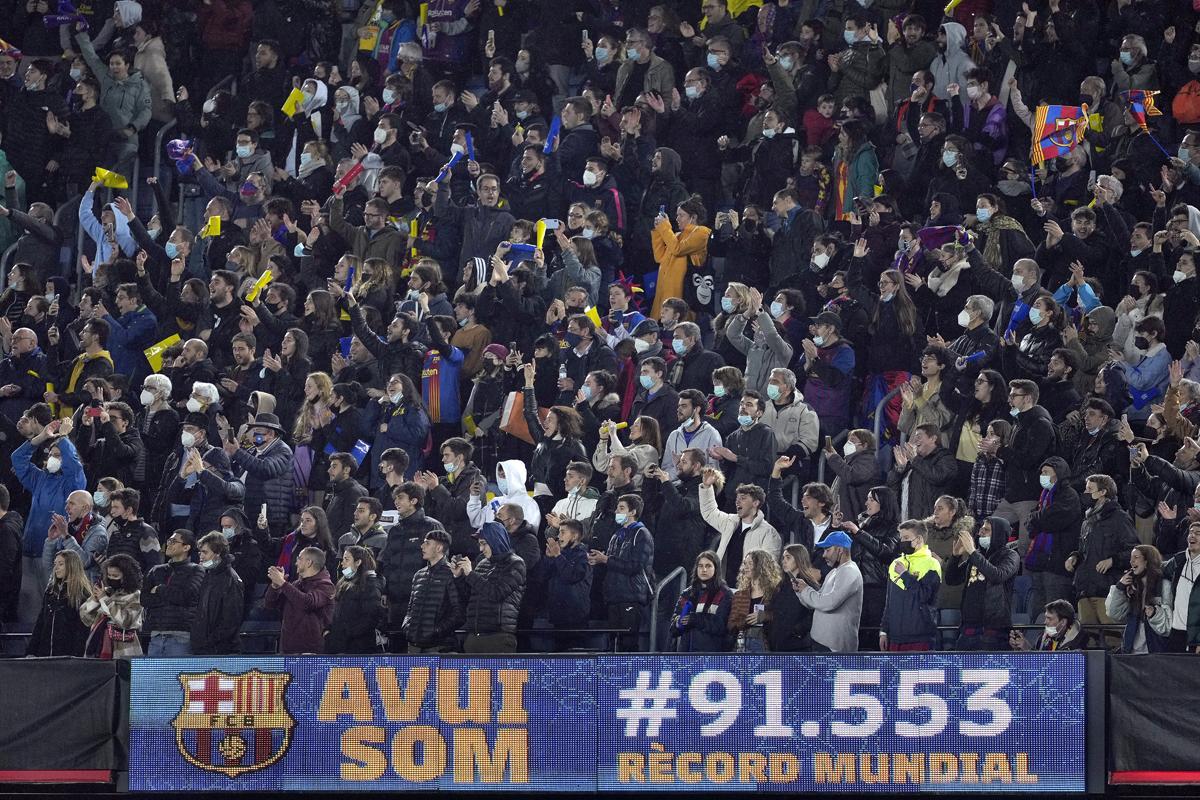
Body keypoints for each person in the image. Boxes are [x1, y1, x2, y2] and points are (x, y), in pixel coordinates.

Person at [589, 493, 654, 652]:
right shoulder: (617, 535)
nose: (617, 511)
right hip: (614, 596)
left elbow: (636, 566)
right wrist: (596, 559)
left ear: (632, 512)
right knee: (613, 644)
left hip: (631, 596)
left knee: (628, 644)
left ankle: (631, 676)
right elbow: (611, 561)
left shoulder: (641, 534)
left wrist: (606, 560)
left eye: (621, 508)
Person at [944, 517, 1020, 650]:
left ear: (998, 533)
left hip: (993, 629)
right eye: (981, 529)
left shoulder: (1010, 555)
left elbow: (997, 575)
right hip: (968, 628)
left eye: (987, 530)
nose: (981, 533)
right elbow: (951, 579)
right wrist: (955, 556)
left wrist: (973, 552)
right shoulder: (977, 556)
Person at [699, 468, 782, 586]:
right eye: (737, 499)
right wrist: (707, 487)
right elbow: (709, 512)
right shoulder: (730, 521)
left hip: (748, 591)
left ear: (755, 503)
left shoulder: (769, 533)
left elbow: (769, 569)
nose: (738, 502)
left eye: (743, 499)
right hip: (722, 588)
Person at [452, 521, 526, 654]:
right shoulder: (481, 563)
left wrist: (470, 574)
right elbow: (469, 596)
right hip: (474, 637)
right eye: (479, 544)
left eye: (484, 543)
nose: (481, 549)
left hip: (498, 638)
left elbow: (496, 594)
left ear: (496, 540)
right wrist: (459, 578)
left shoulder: (516, 563)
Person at [879, 519, 942, 652]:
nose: (902, 542)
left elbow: (923, 596)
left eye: (906, 538)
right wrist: (884, 631)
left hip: (920, 637)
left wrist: (905, 575)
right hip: (895, 637)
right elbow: (889, 602)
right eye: (901, 538)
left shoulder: (932, 564)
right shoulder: (895, 564)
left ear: (918, 539)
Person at [797, 531, 864, 652]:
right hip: (822, 643)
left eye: (827, 550)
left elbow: (829, 603)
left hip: (834, 648)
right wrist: (800, 591)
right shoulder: (834, 572)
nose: (823, 555)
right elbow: (817, 602)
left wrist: (806, 590)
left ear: (839, 550)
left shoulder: (850, 571)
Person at [141, 529, 203, 657]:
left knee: (179, 676)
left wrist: (159, 590)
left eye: (174, 541)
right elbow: (145, 599)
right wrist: (172, 598)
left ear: (186, 547)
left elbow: (186, 597)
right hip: (156, 635)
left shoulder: (196, 570)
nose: (169, 544)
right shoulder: (156, 570)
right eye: (169, 540)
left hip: (181, 637)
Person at [265, 546, 336, 654]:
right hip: (287, 650)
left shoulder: (325, 585)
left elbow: (307, 603)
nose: (296, 562)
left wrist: (283, 584)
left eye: (299, 558)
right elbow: (270, 605)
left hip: (310, 652)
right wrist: (275, 586)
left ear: (309, 563)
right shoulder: (295, 585)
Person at [403, 529, 464, 653]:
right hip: (414, 646)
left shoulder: (452, 574)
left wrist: (436, 631)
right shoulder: (419, 575)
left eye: (427, 543)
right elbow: (410, 608)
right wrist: (407, 626)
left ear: (439, 548)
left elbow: (459, 612)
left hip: (439, 647)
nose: (422, 546)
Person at [1106, 544, 1171, 654]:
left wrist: (1155, 614)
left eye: (1136, 557)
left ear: (1147, 561)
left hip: (1156, 652)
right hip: (1131, 650)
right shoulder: (1131, 586)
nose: (1131, 561)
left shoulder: (1164, 585)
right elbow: (1114, 614)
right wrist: (1119, 588)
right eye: (1131, 558)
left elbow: (1168, 626)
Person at [26, 549, 92, 657]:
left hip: (68, 657)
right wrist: (31, 651)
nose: (56, 568)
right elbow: (40, 623)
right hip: (44, 655)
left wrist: (76, 657)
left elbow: (82, 631)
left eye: (60, 564)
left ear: (72, 566)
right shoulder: (51, 591)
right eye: (55, 564)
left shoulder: (82, 594)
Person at [80, 552, 144, 659]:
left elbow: (125, 621)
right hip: (97, 645)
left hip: (124, 648)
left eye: (115, 576)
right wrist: (95, 601)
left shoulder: (134, 595)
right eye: (109, 575)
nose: (111, 578)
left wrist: (105, 600)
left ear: (127, 577)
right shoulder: (105, 591)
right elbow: (85, 617)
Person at [191, 532, 245, 655]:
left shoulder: (230, 579)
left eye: (205, 552)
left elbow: (231, 620)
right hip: (204, 648)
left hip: (221, 651)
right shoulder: (208, 576)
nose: (201, 556)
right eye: (200, 552)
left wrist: (209, 641)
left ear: (218, 553)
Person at [669, 550, 732, 652]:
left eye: (708, 566)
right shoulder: (687, 593)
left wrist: (695, 619)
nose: (704, 570)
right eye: (700, 566)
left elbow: (721, 625)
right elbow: (673, 629)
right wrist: (677, 622)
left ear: (716, 569)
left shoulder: (724, 594)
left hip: (711, 656)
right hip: (686, 654)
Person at [727, 549, 782, 653]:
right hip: (741, 644)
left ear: (761, 566)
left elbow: (782, 617)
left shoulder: (776, 592)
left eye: (750, 563)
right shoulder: (739, 594)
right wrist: (744, 621)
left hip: (766, 644)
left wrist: (765, 616)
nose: (745, 567)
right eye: (745, 563)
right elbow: (730, 624)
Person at [1162, 523, 1200, 653]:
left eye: (1198, 533)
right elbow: (1159, 571)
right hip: (1176, 631)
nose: (1192, 535)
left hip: (1196, 635)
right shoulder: (1179, 560)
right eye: (1191, 532)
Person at [1010, 599, 1090, 651]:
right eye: (1046, 618)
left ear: (1063, 622)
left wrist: (1027, 649)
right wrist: (1018, 648)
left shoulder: (1077, 642)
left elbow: (1057, 669)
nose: (1045, 622)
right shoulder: (1043, 637)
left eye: (1050, 619)